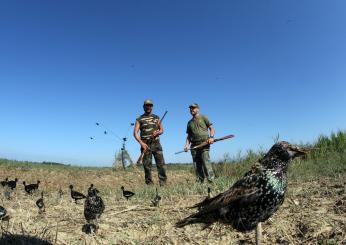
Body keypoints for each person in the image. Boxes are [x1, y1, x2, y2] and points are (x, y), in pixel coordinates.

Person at [134, 99, 167, 186]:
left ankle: (163, 184)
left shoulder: (157, 117)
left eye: (150, 105)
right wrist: (141, 143)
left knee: (161, 165)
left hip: (156, 143)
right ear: (143, 107)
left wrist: (157, 132)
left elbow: (162, 130)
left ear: (152, 107)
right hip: (145, 144)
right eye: (146, 105)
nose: (148, 107)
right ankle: (149, 185)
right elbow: (135, 133)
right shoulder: (139, 119)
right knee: (147, 166)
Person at [184, 103, 215, 183]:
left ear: (198, 109)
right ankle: (200, 181)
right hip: (194, 146)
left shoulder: (204, 117)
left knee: (206, 162)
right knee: (197, 165)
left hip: (204, 143)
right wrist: (186, 145)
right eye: (190, 108)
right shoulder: (189, 123)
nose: (191, 110)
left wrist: (211, 137)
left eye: (193, 108)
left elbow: (211, 128)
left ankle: (211, 181)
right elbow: (189, 136)